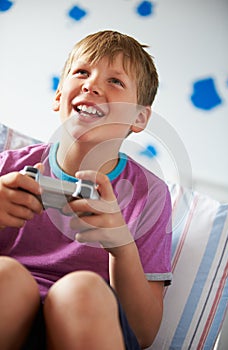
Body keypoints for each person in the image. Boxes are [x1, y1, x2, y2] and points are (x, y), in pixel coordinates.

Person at [0, 30, 172, 350]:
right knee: (5, 275)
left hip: (91, 323)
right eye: (81, 73)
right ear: (57, 96)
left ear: (139, 117)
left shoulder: (151, 195)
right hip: (9, 314)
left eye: (115, 81)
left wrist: (121, 245)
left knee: (82, 290)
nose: (92, 85)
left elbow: (144, 332)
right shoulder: (5, 168)